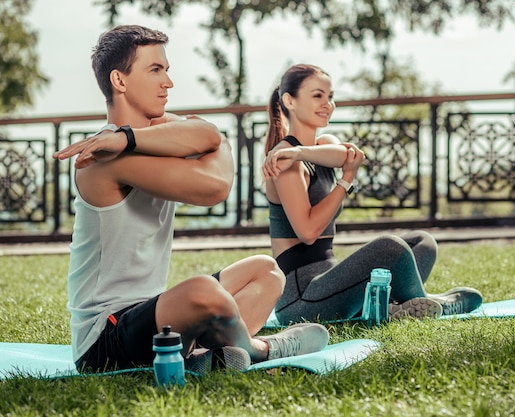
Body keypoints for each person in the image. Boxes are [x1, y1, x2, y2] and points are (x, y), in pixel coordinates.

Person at [52, 26, 329, 374]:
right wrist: (220, 146)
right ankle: (259, 350)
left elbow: (208, 133)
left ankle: (206, 358)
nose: (168, 83)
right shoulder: (102, 159)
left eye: (166, 70)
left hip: (154, 313)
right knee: (202, 292)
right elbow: (215, 186)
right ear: (119, 81)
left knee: (267, 271)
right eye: (155, 70)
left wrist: (129, 137)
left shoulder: (141, 139)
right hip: (103, 340)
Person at [262, 64, 483, 326]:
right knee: (391, 247)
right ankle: (432, 305)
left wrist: (300, 152)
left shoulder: (317, 147)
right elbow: (307, 232)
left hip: (330, 284)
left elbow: (349, 155)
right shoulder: (283, 162)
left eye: (330, 96)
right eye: (317, 96)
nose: (328, 104)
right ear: (289, 101)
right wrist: (345, 181)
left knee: (422, 242)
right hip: (301, 301)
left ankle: (396, 307)